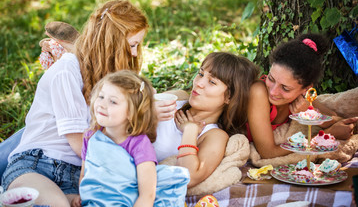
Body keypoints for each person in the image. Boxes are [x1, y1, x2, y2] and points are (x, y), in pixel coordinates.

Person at [1, 0, 150, 206]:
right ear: (112, 43)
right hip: (37, 165)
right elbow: (81, 145)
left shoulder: (106, 80)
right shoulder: (66, 71)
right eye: (132, 45)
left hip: (77, 176)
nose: (134, 53)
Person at [153, 51, 260, 187]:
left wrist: (190, 131)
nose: (199, 83)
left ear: (229, 97)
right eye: (201, 74)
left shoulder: (214, 136)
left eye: (212, 82)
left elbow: (189, 177)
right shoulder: (177, 98)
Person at [246, 33, 358, 159]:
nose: (273, 92)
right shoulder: (259, 92)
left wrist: (313, 115)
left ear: (306, 89)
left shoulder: (301, 100)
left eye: (285, 88)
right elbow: (268, 152)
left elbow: (339, 121)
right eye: (271, 79)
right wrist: (326, 134)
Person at [72, 70, 158, 207]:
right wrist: (82, 196)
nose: (102, 104)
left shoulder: (139, 144)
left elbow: (147, 194)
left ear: (131, 112)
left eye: (113, 101)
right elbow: (85, 175)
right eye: (101, 97)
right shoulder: (91, 136)